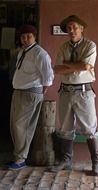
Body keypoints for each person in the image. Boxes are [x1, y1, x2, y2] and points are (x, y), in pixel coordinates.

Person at [50, 15, 98, 176]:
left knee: (89, 128)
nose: (71, 30)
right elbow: (56, 70)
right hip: (65, 91)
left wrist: (68, 64)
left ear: (81, 28)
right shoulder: (64, 46)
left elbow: (86, 66)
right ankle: (65, 160)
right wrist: (76, 66)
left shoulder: (90, 45)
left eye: (74, 27)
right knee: (65, 128)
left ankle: (96, 163)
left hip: (84, 91)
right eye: (68, 28)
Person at [8, 24, 54, 170]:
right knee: (14, 125)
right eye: (23, 36)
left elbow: (48, 76)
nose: (25, 38)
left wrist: (40, 92)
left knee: (22, 126)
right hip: (19, 92)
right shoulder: (23, 52)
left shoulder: (40, 53)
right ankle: (18, 156)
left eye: (29, 36)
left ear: (35, 37)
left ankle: (21, 159)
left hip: (30, 93)